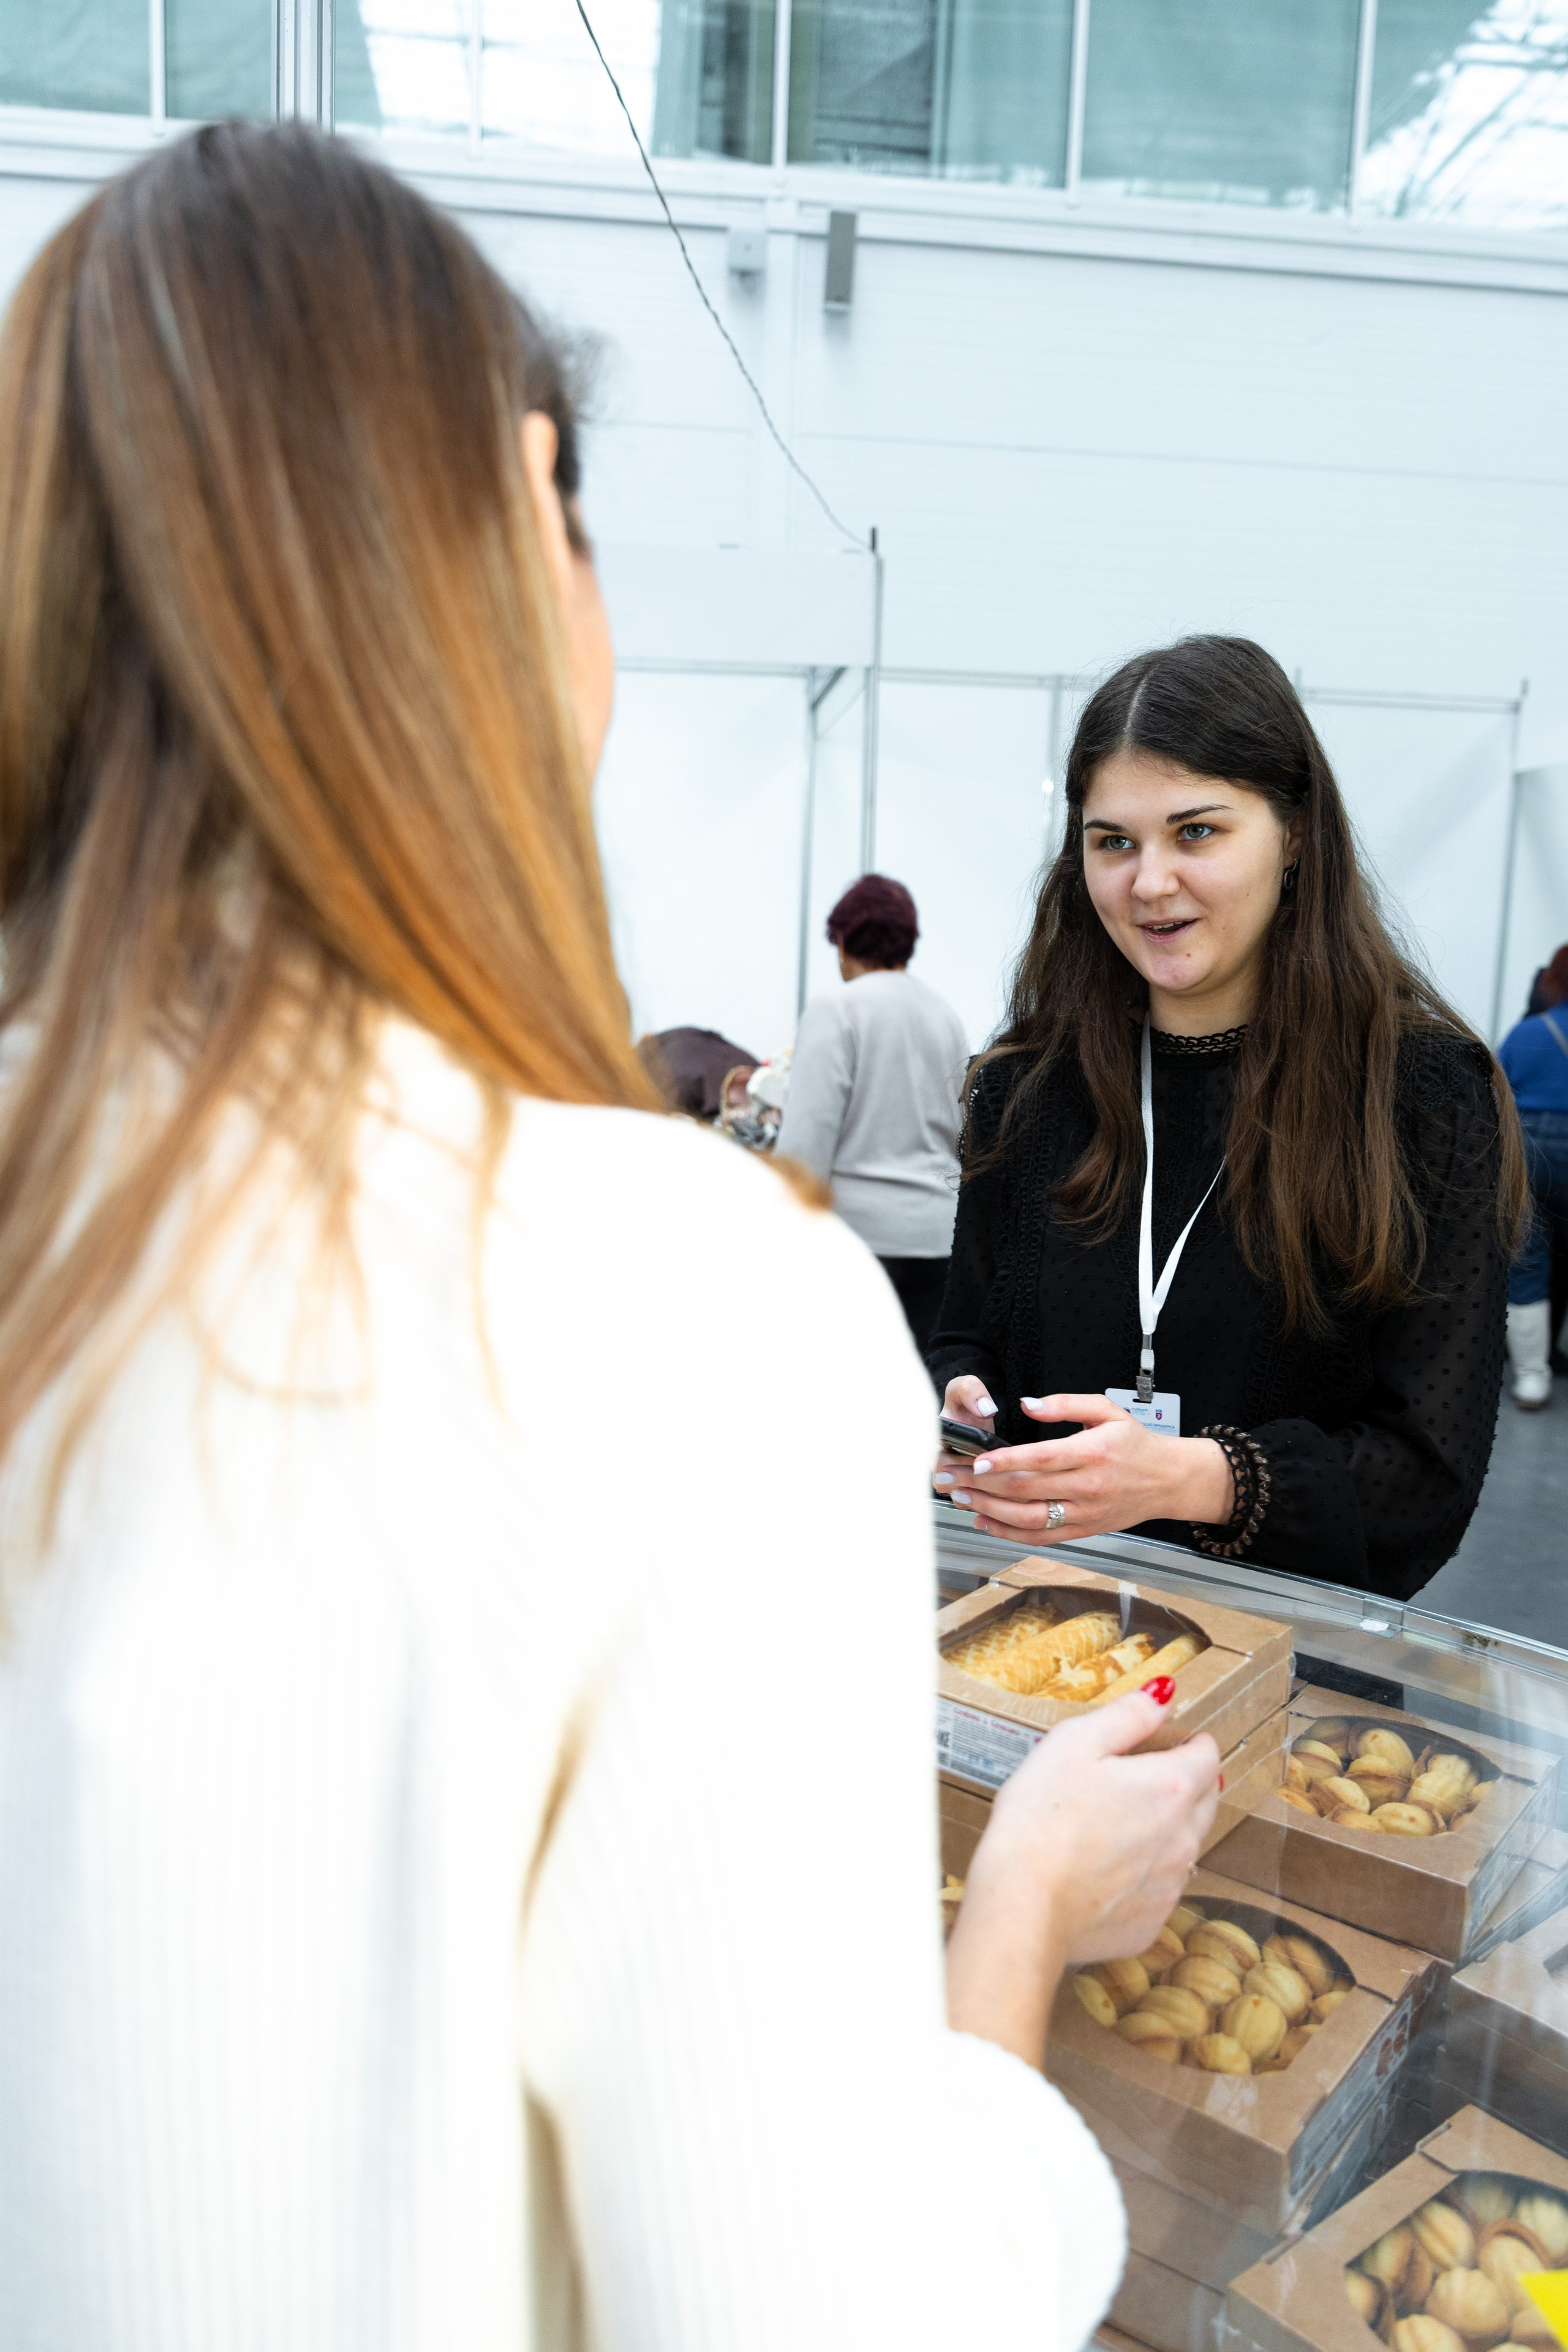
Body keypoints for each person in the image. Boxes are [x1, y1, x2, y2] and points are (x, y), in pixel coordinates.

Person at [0, 126, 1221, 2351]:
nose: (1151, 880)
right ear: (499, 540)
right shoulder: (661, 1304)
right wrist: (1019, 1912)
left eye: (1190, 835)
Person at [929, 636, 1525, 1603]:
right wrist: (965, 1410)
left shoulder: (1419, 1096)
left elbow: (1427, 1475)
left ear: (1294, 834)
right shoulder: (1027, 1088)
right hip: (1043, 1636)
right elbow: (968, 1339)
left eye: (1196, 832)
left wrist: (1198, 1479)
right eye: (1112, 841)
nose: (1149, 882)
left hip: (1287, 1673)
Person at [775, 875, 968, 1354]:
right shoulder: (944, 1015)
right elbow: (963, 1131)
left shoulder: (837, 1008)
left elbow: (807, 1141)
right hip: (938, 1240)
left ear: (842, 941)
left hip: (858, 1241)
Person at [1497, 943, 1568, 1408]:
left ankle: (1531, 1379)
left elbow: (1495, 1097)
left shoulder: (1528, 1032)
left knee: (1527, 1261)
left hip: (1531, 1151)